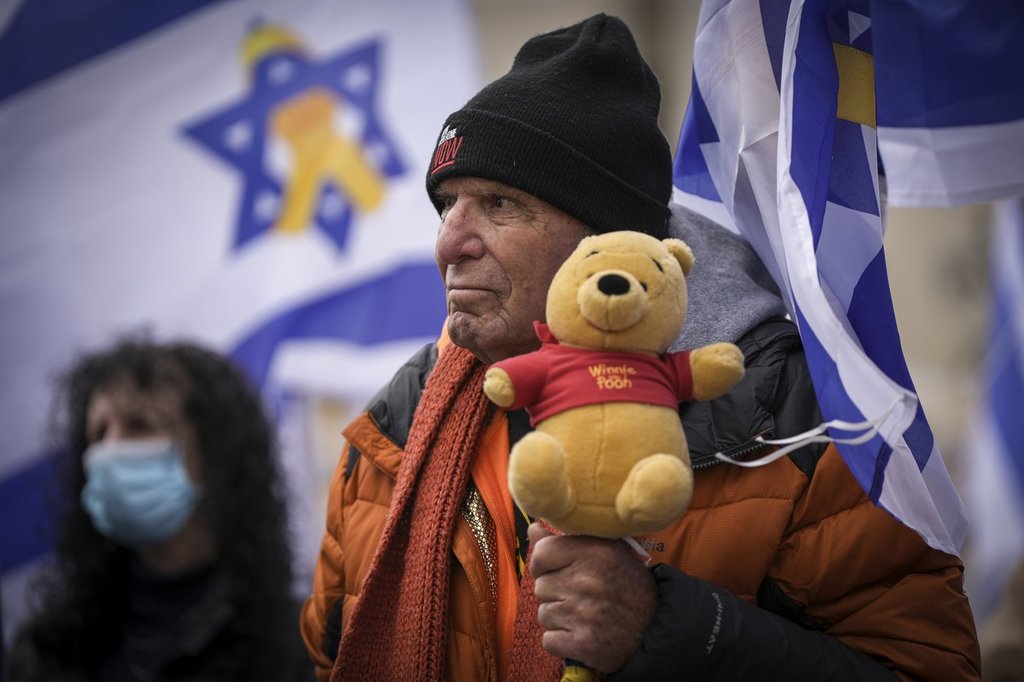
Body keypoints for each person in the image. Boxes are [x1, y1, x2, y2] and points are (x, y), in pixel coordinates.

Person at [299, 13, 981, 681]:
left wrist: (668, 627)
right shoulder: (394, 430)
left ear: (607, 241)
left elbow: (925, 666)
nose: (450, 241)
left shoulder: (796, 428)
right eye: (447, 204)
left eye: (499, 204)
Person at [6, 339, 314, 681]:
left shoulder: (296, 652)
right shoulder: (47, 651)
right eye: (98, 433)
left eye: (139, 425)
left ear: (217, 455)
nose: (110, 451)